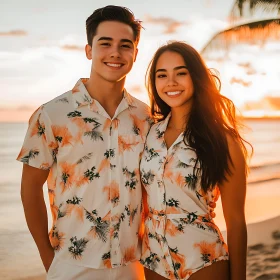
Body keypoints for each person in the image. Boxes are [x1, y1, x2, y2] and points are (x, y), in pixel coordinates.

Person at [17, 5, 151, 280]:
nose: (115, 52)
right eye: (105, 43)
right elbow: (30, 190)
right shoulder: (52, 114)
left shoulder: (146, 117)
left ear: (135, 54)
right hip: (71, 266)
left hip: (133, 265)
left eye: (125, 45)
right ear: (89, 50)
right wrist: (49, 261)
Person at [140, 41, 249, 280]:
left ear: (196, 77)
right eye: (162, 75)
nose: (171, 82)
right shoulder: (148, 134)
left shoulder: (222, 140)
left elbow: (236, 221)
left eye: (181, 73)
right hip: (153, 261)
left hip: (203, 261)